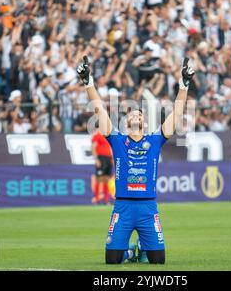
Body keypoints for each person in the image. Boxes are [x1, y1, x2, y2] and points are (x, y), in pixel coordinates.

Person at [76, 55, 194, 265]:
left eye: (140, 114)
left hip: (148, 208)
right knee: (112, 260)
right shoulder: (117, 140)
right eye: (132, 114)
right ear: (126, 122)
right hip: (123, 206)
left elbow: (176, 114)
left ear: (145, 123)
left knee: (158, 261)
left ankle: (142, 248)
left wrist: (184, 85)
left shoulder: (155, 140)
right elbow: (99, 110)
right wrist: (88, 83)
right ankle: (131, 252)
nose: (136, 116)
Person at [91, 128, 113, 205]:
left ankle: (106, 200)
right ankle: (96, 200)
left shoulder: (107, 135)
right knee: (99, 179)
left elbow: (110, 147)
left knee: (106, 179)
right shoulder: (97, 135)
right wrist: (96, 159)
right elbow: (93, 147)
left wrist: (112, 158)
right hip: (101, 158)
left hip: (108, 158)